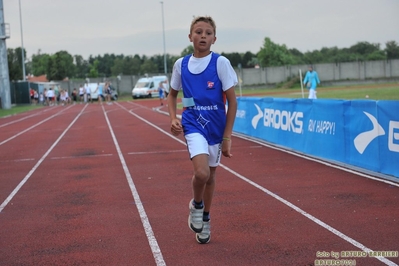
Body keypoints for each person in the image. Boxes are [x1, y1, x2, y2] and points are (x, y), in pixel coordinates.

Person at [167, 16, 238, 244]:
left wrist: (227, 137)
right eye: (198, 32)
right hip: (193, 123)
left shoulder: (221, 64)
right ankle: (196, 205)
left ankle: (205, 218)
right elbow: (172, 94)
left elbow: (232, 102)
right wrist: (172, 118)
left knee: (212, 175)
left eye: (208, 33)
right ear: (190, 37)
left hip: (216, 127)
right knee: (202, 173)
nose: (203, 36)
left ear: (214, 39)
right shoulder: (181, 65)